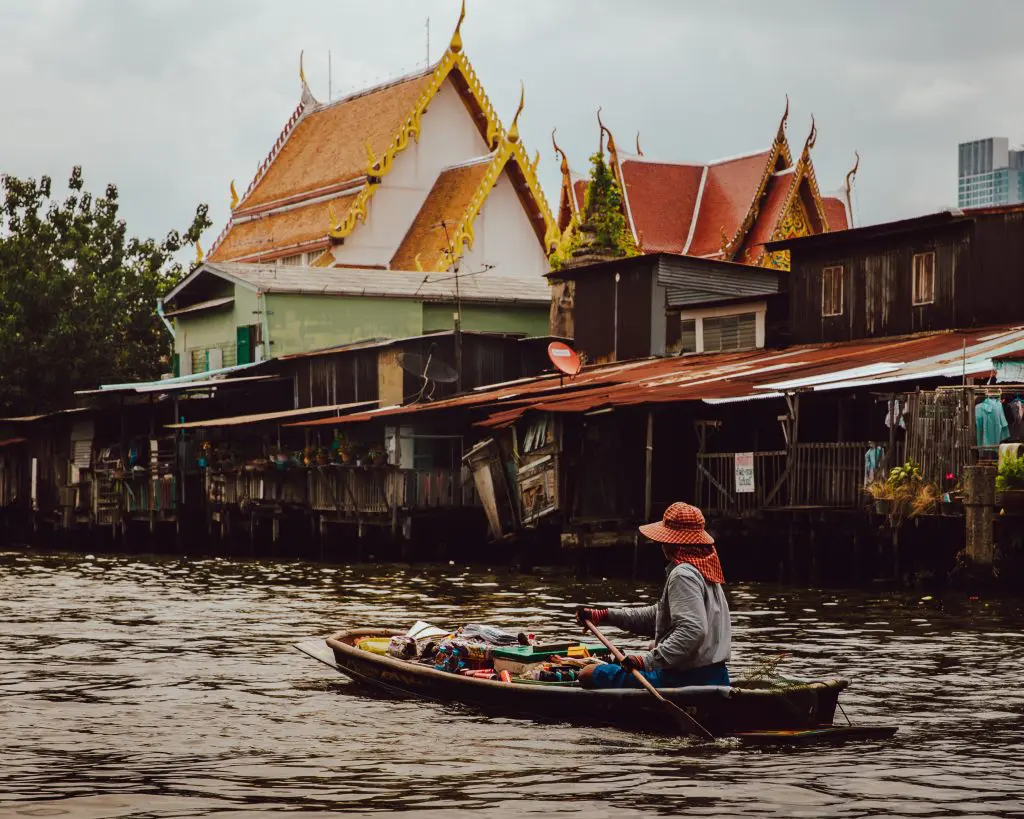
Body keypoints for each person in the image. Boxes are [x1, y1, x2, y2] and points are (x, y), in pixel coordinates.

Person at [576, 501, 731, 689]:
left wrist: (646, 661)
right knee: (652, 646)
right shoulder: (705, 570)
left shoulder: (683, 574)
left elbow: (693, 631)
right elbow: (659, 616)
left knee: (587, 673)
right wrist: (605, 615)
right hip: (718, 676)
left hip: (685, 680)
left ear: (671, 542)